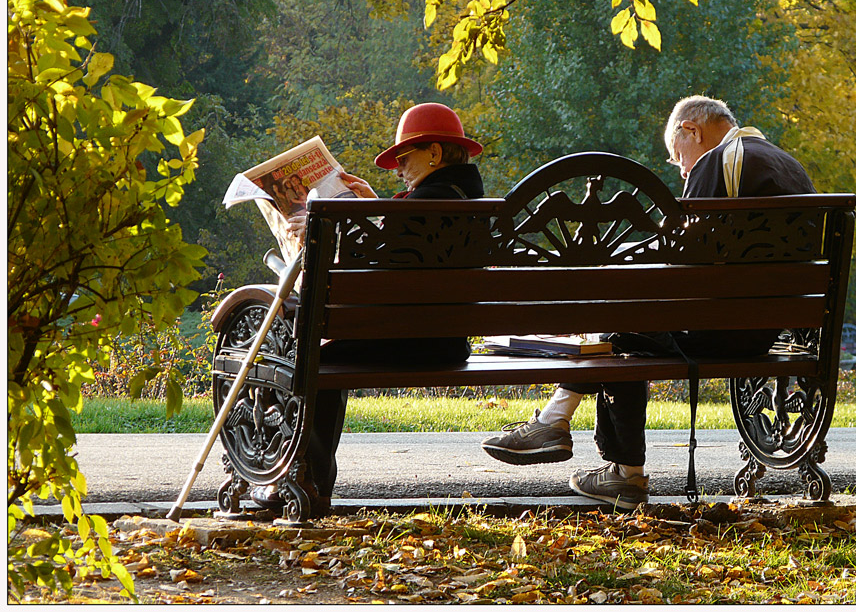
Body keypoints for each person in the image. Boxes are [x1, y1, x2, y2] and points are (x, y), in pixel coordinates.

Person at [481, 95, 816, 509]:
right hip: (763, 332)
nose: (682, 173)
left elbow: (681, 261)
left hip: (718, 333)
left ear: (691, 130)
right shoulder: (789, 166)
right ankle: (569, 433)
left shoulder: (719, 163)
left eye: (679, 159)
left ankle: (593, 451)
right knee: (625, 320)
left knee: (620, 326)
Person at [252, 103, 484, 511]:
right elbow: (408, 253)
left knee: (315, 360)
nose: (397, 168)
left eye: (405, 157)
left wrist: (336, 223)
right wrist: (375, 209)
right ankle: (307, 478)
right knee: (324, 359)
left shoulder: (428, 203)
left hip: (415, 342)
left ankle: (306, 483)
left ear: (434, 153)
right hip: (445, 341)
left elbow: (371, 271)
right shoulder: (463, 198)